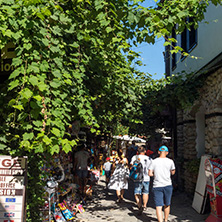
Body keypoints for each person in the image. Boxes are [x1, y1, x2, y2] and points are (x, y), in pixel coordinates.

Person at [148, 145, 176, 222]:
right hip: (167, 185)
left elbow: (150, 173)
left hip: (157, 185)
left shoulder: (154, 161)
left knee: (158, 206)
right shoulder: (170, 161)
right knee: (167, 204)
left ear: (158, 152)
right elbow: (173, 172)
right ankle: (166, 219)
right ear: (167, 153)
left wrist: (156, 174)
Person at [130, 146, 152, 215]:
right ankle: (145, 205)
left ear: (138, 151)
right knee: (145, 192)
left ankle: (139, 206)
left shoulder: (134, 157)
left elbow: (131, 166)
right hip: (146, 177)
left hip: (137, 178)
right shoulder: (149, 158)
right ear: (145, 151)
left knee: (137, 192)